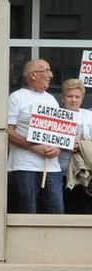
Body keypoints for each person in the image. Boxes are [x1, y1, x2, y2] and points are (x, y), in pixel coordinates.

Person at [6, 59, 62, 214]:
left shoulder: (51, 99)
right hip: (25, 166)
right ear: (33, 75)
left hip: (51, 166)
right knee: (28, 211)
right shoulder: (17, 97)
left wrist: (57, 149)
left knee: (57, 212)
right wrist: (33, 148)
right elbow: (8, 131)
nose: (50, 75)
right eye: (46, 70)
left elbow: (60, 131)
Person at [58, 79, 92, 214]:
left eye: (77, 97)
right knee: (66, 209)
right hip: (61, 171)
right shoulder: (56, 115)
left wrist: (82, 145)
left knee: (85, 210)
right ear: (62, 99)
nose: (73, 100)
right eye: (69, 96)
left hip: (85, 173)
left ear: (82, 98)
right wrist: (66, 143)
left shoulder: (89, 116)